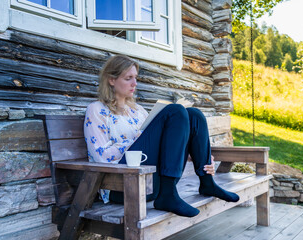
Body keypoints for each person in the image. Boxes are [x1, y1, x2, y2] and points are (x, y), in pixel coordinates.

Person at [84, 55, 239, 218]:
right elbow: (100, 156)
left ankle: (206, 182)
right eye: (128, 78)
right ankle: (168, 196)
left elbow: (168, 148)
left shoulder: (138, 111)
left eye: (135, 78)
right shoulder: (96, 110)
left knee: (194, 115)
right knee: (175, 111)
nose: (134, 83)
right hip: (121, 186)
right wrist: (134, 143)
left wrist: (202, 158)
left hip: (154, 182)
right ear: (111, 80)